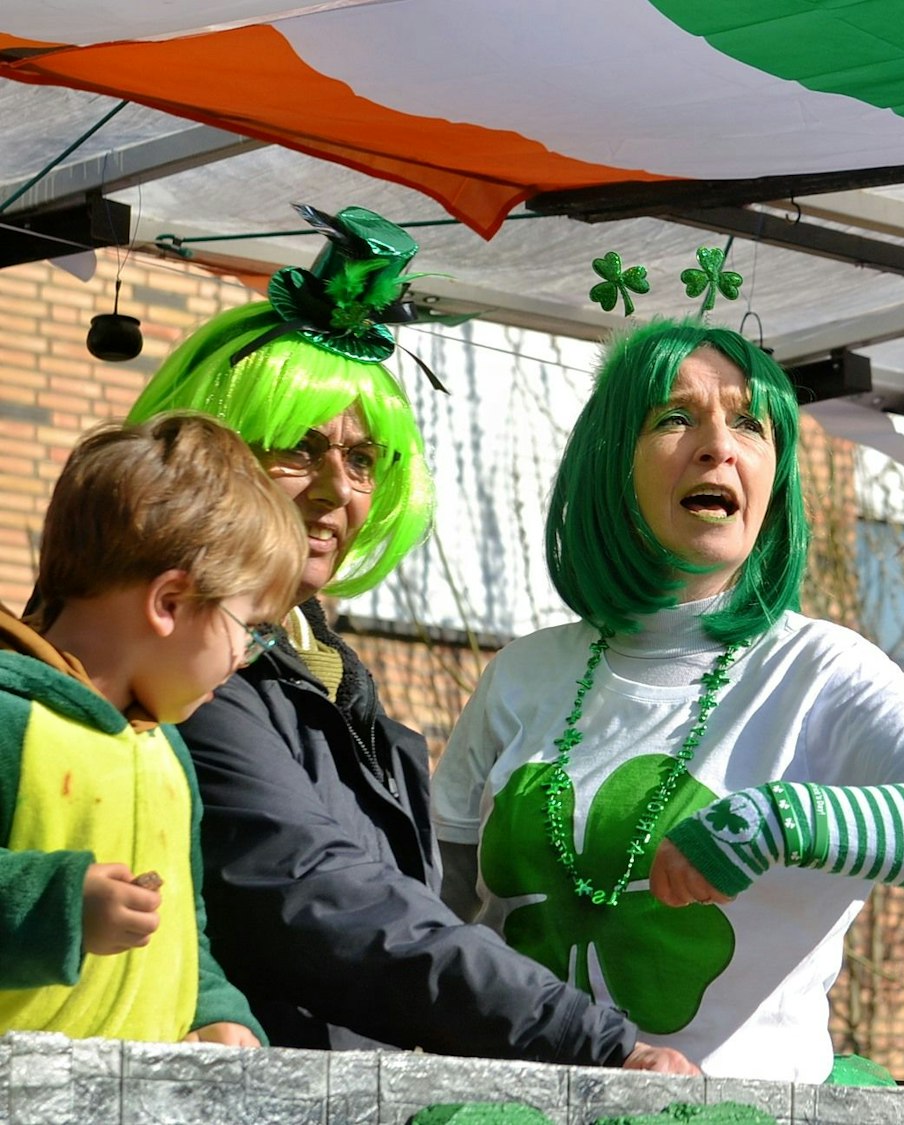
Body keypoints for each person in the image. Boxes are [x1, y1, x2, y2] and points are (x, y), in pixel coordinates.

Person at [124, 204, 691, 1072]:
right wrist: (588, 1037)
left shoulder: (327, 672)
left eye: (363, 461)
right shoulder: (189, 671)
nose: (334, 489)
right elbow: (318, 894)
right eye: (296, 447)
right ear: (209, 453)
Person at [432, 315, 904, 1083]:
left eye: (749, 421)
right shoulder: (520, 673)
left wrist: (786, 819)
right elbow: (435, 913)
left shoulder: (820, 669)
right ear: (609, 461)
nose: (718, 444)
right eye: (676, 416)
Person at [0, 413, 303, 1046]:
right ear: (169, 602)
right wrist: (56, 903)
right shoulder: (10, 719)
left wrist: (216, 1012)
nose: (249, 657)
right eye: (253, 629)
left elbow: (184, 930)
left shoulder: (168, 752)